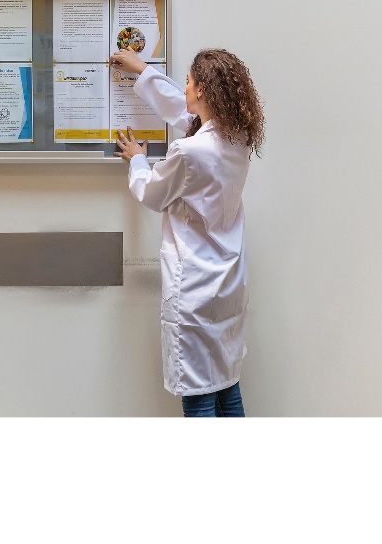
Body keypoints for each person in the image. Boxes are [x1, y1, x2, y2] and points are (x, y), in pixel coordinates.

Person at [110, 46, 265, 417]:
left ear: (203, 91)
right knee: (227, 391)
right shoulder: (237, 138)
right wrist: (143, 70)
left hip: (195, 289)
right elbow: (185, 113)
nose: (184, 89)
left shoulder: (190, 152)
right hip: (227, 285)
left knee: (199, 400)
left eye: (189, 82)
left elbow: (152, 193)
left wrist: (138, 161)